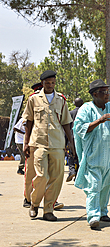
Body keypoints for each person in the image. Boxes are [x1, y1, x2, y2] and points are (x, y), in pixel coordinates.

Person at [73, 79, 110, 229]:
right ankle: (93, 216)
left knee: (106, 185)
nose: (107, 95)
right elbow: (79, 128)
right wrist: (100, 120)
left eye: (107, 91)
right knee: (94, 185)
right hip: (94, 155)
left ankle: (103, 211)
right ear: (95, 94)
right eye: (104, 92)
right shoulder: (86, 109)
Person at [22, 70, 75, 221]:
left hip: (58, 144)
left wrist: (71, 142)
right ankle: (34, 203)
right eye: (47, 83)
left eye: (52, 83)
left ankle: (48, 210)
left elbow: (66, 123)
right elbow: (29, 121)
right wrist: (26, 143)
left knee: (56, 178)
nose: (50, 85)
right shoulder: (33, 99)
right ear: (42, 83)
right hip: (38, 143)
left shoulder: (61, 100)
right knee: (41, 176)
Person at [66, 98, 84, 182]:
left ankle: (72, 171)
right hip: (82, 138)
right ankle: (78, 175)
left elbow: (67, 128)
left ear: (74, 104)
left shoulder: (70, 113)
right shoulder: (85, 113)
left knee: (71, 156)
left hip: (72, 138)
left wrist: (66, 141)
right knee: (80, 156)